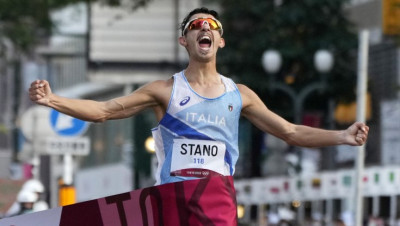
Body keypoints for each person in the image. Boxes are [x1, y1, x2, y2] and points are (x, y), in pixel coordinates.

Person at [29, 6, 368, 223]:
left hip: (217, 201)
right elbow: (103, 111)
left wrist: (342, 136)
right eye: (196, 25)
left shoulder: (241, 94)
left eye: (212, 24)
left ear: (219, 41)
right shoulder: (164, 91)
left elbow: (291, 132)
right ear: (185, 40)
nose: (204, 27)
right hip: (172, 201)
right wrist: (53, 100)